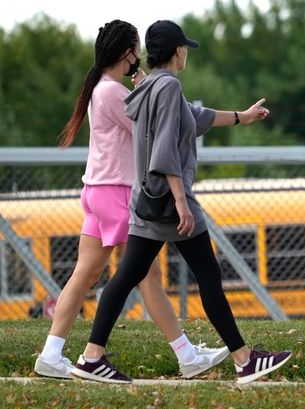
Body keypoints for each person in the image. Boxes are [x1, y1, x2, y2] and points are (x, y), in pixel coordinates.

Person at [71, 19, 292, 385]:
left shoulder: (147, 88)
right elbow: (164, 152)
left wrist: (242, 117)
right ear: (177, 52)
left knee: (127, 276)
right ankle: (244, 360)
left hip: (145, 202)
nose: (186, 52)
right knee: (208, 276)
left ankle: (91, 356)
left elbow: (195, 118)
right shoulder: (169, 86)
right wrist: (182, 201)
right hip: (171, 204)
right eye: (184, 47)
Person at [35, 19, 229, 381]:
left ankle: (52, 352)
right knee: (148, 275)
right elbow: (151, 128)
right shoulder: (112, 92)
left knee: (86, 274)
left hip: (96, 191)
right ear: (127, 54)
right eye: (136, 50)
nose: (139, 56)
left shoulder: (103, 89)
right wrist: (146, 93)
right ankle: (185, 354)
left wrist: (141, 91)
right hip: (116, 192)